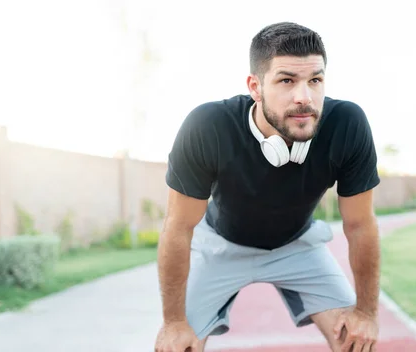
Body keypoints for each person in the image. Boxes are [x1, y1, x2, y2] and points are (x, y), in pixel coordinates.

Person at [154, 22, 381, 352]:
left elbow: (360, 225)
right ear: (255, 86)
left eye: (314, 80)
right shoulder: (207, 126)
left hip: (297, 245)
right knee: (177, 347)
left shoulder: (347, 123)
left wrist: (366, 312)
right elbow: (177, 227)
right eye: (287, 80)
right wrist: (173, 323)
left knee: (356, 340)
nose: (304, 97)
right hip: (220, 245)